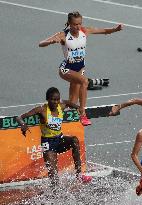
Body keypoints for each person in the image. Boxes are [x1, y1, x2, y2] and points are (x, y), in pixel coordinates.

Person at [39, 11, 123, 126]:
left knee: (72, 102)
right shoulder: (63, 35)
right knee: (84, 81)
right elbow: (41, 43)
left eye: (79, 24)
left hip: (79, 70)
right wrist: (51, 41)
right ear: (69, 23)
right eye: (75, 24)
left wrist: (115, 29)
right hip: (66, 69)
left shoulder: (85, 31)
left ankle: (53, 113)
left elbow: (103, 31)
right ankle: (82, 113)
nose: (78, 27)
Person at [16, 87, 92, 187]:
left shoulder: (62, 105)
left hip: (59, 139)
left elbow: (74, 105)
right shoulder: (42, 110)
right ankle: (55, 192)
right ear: (47, 99)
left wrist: (81, 111)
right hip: (47, 143)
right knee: (53, 173)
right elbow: (19, 117)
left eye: (57, 99)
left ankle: (79, 175)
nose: (55, 102)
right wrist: (23, 125)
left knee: (74, 140)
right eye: (52, 99)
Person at [109, 98, 142, 195]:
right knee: (139, 192)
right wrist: (119, 107)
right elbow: (134, 155)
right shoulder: (141, 134)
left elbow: (135, 101)